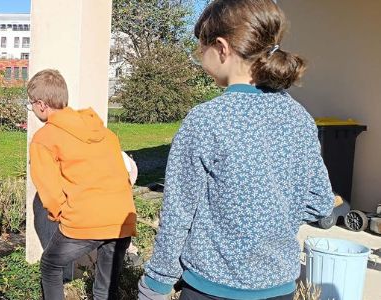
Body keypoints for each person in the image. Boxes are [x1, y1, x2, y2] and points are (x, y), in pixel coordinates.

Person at [138, 1, 334, 299]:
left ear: (220, 48)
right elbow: (320, 201)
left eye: (199, 49)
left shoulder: (206, 120)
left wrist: (157, 282)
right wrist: (273, 217)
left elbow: (178, 212)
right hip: (279, 287)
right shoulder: (300, 118)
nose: (198, 57)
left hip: (211, 288)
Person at [27, 69, 136, 300]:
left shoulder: (45, 138)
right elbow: (121, 173)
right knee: (105, 291)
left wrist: (61, 215)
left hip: (85, 221)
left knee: (50, 265)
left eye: (31, 105)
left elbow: (51, 192)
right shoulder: (103, 132)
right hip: (122, 218)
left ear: (41, 104)